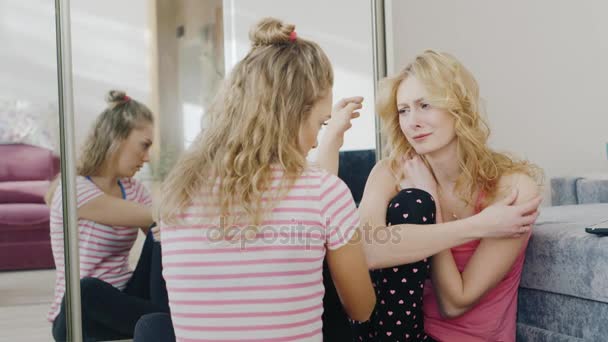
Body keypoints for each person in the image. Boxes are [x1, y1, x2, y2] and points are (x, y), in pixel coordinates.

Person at [146, 17, 375, 342]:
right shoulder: (324, 192)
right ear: (293, 113)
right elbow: (362, 309)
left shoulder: (179, 192)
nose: (314, 141)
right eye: (320, 124)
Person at [350, 50, 542, 341]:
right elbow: (365, 251)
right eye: (403, 110)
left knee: (416, 204)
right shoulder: (391, 171)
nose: (412, 121)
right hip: (402, 333)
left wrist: (433, 210)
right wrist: (476, 224)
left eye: (424, 105)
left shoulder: (511, 188)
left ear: (458, 107)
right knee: (411, 205)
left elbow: (455, 303)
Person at [47, 90, 168, 341]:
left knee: (163, 232)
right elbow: (157, 213)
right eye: (144, 145)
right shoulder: (74, 188)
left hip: (126, 301)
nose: (147, 157)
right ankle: (166, 319)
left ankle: (162, 318)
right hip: (80, 314)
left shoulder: (134, 189)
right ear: (117, 138)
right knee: (86, 289)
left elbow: (161, 232)